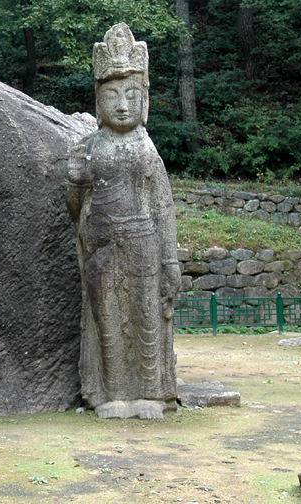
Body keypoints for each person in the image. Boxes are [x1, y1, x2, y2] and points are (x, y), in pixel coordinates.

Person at [67, 23, 179, 420]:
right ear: (98, 101)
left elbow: (163, 208)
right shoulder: (89, 147)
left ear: (145, 100)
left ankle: (150, 393)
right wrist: (75, 181)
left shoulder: (147, 150)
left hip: (144, 244)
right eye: (111, 95)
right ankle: (112, 393)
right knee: (108, 322)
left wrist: (170, 262)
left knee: (147, 317)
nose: (122, 105)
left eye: (132, 95)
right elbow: (76, 205)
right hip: (102, 246)